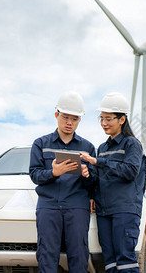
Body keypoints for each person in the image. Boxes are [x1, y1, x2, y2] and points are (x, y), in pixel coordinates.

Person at [29, 91, 96, 273]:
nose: (69, 123)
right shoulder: (40, 144)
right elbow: (35, 175)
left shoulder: (88, 148)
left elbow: (93, 183)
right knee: (47, 255)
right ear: (56, 115)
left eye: (74, 119)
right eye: (65, 117)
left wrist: (87, 175)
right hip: (48, 206)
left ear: (79, 120)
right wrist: (53, 172)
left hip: (77, 206)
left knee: (79, 255)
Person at [81, 92, 146, 273]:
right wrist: (88, 177)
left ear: (122, 119)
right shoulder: (102, 148)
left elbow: (130, 171)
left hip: (124, 210)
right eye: (101, 119)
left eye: (108, 119)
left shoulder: (131, 144)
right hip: (104, 211)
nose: (104, 123)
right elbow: (99, 178)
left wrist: (98, 162)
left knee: (125, 260)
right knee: (109, 262)